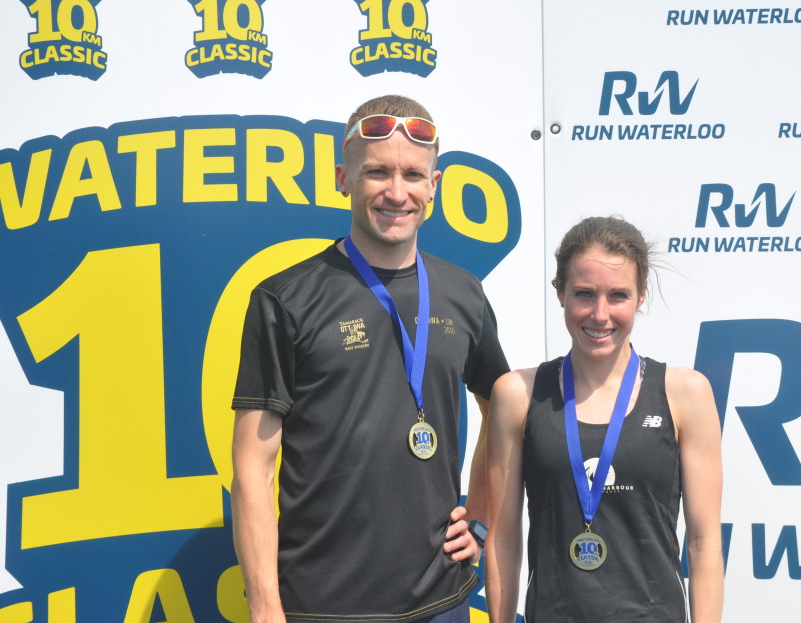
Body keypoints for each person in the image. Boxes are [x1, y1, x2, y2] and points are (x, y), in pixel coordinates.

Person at [230, 95, 509, 623]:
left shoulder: (462, 293)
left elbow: (504, 410)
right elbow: (252, 465)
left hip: (441, 601)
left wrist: (479, 515)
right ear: (343, 178)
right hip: (322, 606)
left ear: (435, 185)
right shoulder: (285, 299)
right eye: (377, 172)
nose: (396, 192)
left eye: (412, 174)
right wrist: (265, 607)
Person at [485, 216, 724, 623]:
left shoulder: (686, 393)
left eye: (618, 295)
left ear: (641, 296)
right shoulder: (517, 395)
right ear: (558, 292)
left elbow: (703, 544)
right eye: (583, 293)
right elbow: (504, 540)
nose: (600, 314)